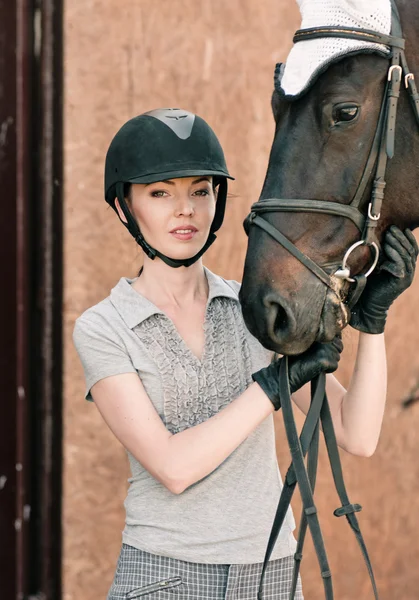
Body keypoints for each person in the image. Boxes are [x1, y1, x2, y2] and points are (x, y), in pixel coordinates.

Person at [73, 108, 418, 600]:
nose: (185, 210)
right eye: (159, 193)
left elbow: (357, 434)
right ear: (125, 207)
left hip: (271, 578)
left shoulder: (252, 309)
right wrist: (272, 387)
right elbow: (172, 467)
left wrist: (374, 324)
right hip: (166, 579)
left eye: (199, 190)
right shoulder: (103, 327)